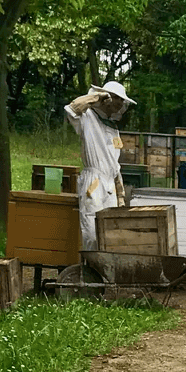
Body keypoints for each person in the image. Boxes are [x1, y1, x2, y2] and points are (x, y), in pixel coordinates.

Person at [65, 81, 136, 251]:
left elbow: (114, 164)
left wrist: (120, 195)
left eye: (122, 100)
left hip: (110, 185)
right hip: (94, 183)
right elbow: (71, 108)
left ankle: (103, 266)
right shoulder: (87, 117)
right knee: (92, 233)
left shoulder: (113, 128)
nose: (120, 103)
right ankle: (90, 265)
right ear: (107, 97)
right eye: (117, 98)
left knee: (109, 234)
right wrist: (97, 97)